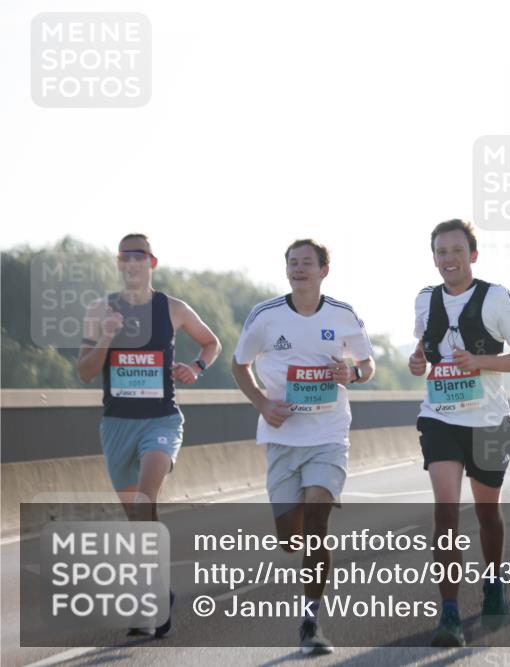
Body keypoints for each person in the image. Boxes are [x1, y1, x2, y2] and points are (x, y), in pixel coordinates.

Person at [232, 239, 375, 655]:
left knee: (317, 520)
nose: (298, 269)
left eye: (306, 263)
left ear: (323, 270)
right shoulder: (266, 315)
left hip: (329, 435)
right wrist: (262, 403)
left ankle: (311, 620)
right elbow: (239, 364)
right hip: (281, 438)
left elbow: (367, 365)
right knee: (290, 540)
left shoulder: (343, 315)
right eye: (292, 263)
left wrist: (352, 372)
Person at [78, 233, 221, 638]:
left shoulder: (173, 308)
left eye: (138, 255)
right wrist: (106, 335)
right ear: (118, 263)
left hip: (161, 420)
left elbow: (211, 343)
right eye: (124, 256)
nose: (131, 262)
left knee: (145, 500)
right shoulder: (99, 309)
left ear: (152, 262)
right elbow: (85, 372)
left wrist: (196, 367)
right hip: (117, 424)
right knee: (137, 520)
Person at [408, 219, 510, 647]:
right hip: (440, 416)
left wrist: (481, 363)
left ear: (472, 255)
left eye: (456, 251)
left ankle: (494, 580)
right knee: (446, 511)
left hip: (488, 420)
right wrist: (417, 361)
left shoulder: (496, 298)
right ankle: (449, 613)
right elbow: (426, 349)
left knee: (486, 513)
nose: (449, 259)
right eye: (441, 252)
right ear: (434, 258)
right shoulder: (425, 300)